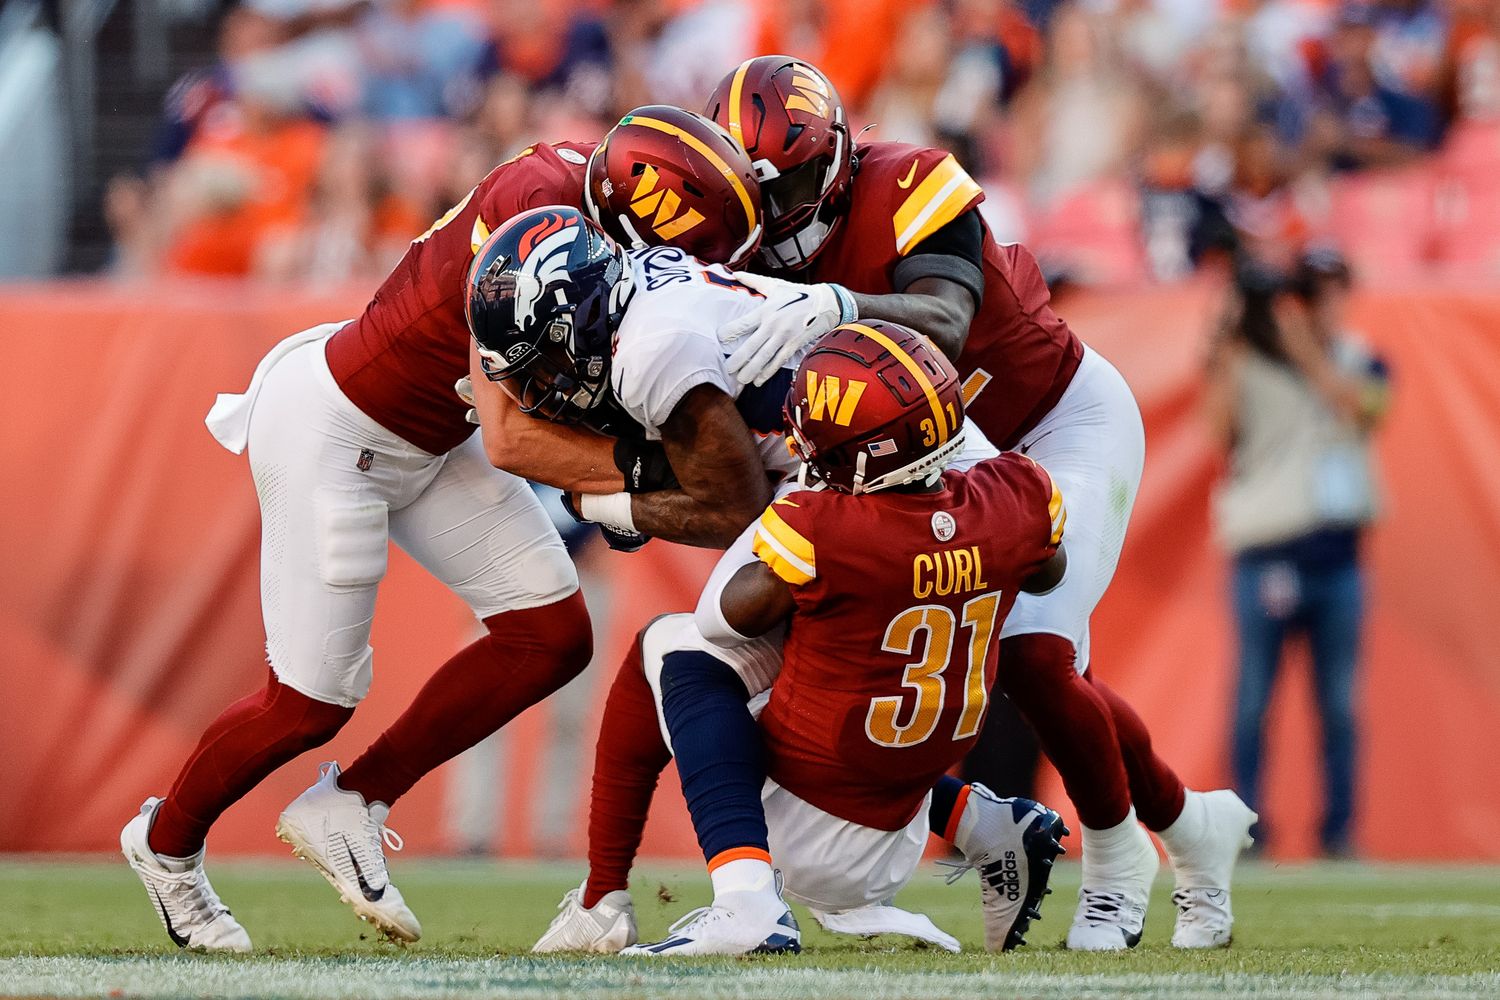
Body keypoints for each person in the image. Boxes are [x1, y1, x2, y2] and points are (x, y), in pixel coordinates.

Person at [568, 56, 1254, 953]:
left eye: (800, 182)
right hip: (918, 462)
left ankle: (1121, 860)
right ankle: (1191, 827)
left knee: (1034, 652)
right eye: (757, 191)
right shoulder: (723, 253)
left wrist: (837, 303)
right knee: (849, 653)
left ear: (840, 158)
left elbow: (949, 319)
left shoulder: (911, 182)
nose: (778, 213)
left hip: (1045, 425)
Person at [118, 109, 759, 952]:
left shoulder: (586, 197)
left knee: (551, 634)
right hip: (341, 431)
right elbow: (513, 437)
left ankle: (352, 802)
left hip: (431, 437)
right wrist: (644, 479)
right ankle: (166, 845)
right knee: (310, 701)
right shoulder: (539, 209)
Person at [622, 321, 1071, 956]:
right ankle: (980, 818)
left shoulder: (824, 525)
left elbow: (724, 615)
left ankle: (745, 899)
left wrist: (797, 491)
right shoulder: (1020, 493)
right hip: (906, 802)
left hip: (815, 839)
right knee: (823, 677)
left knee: (676, 647)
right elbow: (1050, 573)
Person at [1204, 247, 1388, 858]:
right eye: (1314, 293)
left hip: (1339, 555)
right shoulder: (1248, 360)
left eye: (1336, 291)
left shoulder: (1364, 359)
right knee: (1253, 702)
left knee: (1340, 706)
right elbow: (1221, 434)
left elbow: (1367, 409)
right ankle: (1248, 834)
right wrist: (1228, 337)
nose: (1327, 306)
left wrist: (1307, 352)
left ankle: (1340, 835)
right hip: (1268, 550)